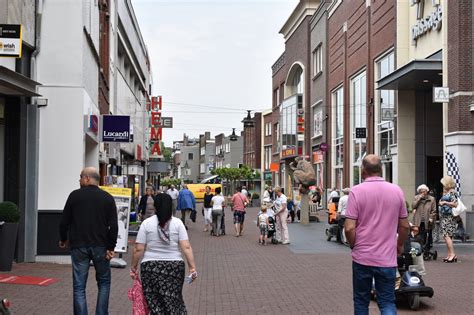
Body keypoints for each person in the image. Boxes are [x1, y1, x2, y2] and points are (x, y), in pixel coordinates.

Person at [344, 155, 409, 314]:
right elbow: (404, 225)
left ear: (363, 171)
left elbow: (349, 228)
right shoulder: (397, 191)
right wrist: (399, 244)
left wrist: (354, 245)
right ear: (381, 169)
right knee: (387, 301)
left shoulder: (356, 192)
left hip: (362, 257)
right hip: (387, 258)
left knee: (361, 301)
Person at [59, 167, 118, 315]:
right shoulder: (107, 198)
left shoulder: (74, 196)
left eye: (80, 177)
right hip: (101, 246)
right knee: (104, 283)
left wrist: (63, 238)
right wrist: (111, 247)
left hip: (79, 246)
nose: (79, 180)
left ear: (87, 178)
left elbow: (64, 221)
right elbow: (114, 225)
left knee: (79, 286)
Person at [130, 193, 197, 314]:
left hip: (150, 267)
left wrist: (134, 267)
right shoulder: (178, 223)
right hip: (174, 267)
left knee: (153, 302)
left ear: (155, 206)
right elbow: (186, 247)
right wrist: (192, 268)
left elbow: (138, 248)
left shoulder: (146, 223)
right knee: (173, 300)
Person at [438, 175, 459, 263]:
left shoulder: (452, 192)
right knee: (447, 236)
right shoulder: (447, 192)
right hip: (445, 217)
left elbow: (455, 204)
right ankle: (450, 254)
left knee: (447, 236)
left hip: (449, 217)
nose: (442, 185)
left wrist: (445, 202)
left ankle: (452, 254)